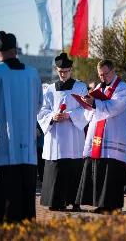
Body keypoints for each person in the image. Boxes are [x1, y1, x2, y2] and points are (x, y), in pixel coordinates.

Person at [0, 31, 43, 224]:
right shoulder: (32, 74)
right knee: (22, 199)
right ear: (15, 50)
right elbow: (39, 104)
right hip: (26, 151)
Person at [76, 60, 126, 214]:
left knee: (111, 171)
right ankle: (100, 204)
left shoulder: (123, 88)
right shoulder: (99, 88)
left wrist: (95, 103)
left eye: (105, 74)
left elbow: (117, 106)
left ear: (112, 71)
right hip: (97, 136)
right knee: (98, 169)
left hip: (114, 135)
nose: (102, 78)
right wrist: (87, 103)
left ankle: (113, 206)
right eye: (100, 75)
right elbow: (90, 113)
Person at [38, 53, 88, 212]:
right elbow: (42, 110)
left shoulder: (80, 87)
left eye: (65, 71)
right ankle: (55, 201)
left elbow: (86, 110)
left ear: (71, 70)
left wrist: (70, 115)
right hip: (56, 136)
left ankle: (75, 202)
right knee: (56, 167)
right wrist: (52, 116)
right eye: (60, 71)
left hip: (73, 134)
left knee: (74, 167)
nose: (63, 74)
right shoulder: (50, 89)